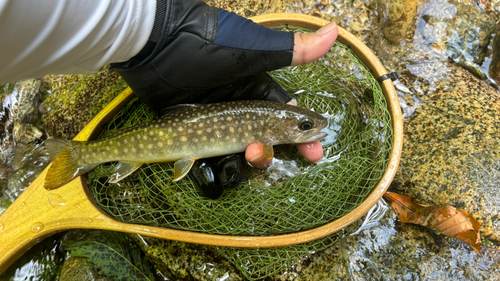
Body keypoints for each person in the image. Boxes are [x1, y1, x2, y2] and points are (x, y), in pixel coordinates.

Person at [0, 0, 338, 194]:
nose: (309, 129)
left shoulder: (266, 128)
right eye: (305, 125)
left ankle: (85, 154)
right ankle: (81, 155)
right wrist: (153, 31)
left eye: (302, 125)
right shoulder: (265, 130)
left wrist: (152, 34)